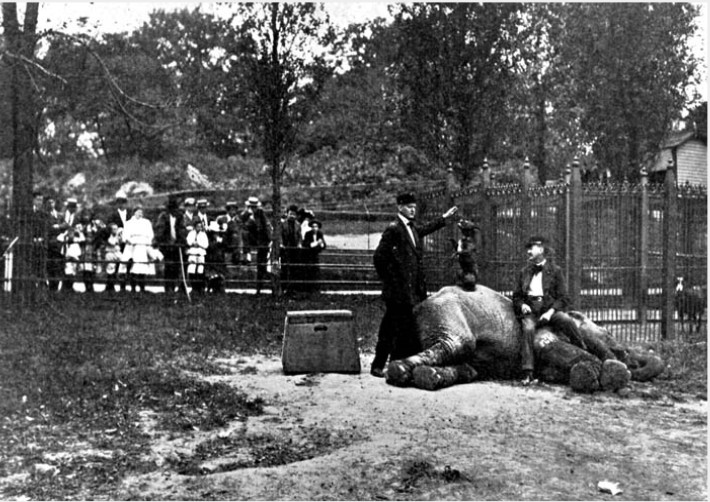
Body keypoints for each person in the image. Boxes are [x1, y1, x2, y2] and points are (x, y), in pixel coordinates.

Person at [370, 192, 458, 378]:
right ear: (400, 207)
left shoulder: (410, 228)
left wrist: (443, 219)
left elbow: (423, 230)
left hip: (411, 291)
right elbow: (379, 257)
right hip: (397, 292)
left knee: (406, 327)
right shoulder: (394, 229)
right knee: (390, 327)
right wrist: (392, 282)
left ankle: (398, 363)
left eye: (414, 207)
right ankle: (377, 365)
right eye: (409, 207)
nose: (412, 210)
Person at [512, 236, 588, 386]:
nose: (528, 252)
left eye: (531, 248)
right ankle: (528, 372)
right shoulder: (524, 272)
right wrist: (522, 305)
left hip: (548, 308)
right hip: (531, 311)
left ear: (541, 249)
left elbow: (564, 297)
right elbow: (516, 296)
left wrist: (550, 312)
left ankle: (583, 351)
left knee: (566, 321)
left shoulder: (555, 271)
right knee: (528, 329)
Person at [154, 198, 188, 294]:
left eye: (175, 209)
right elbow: (160, 230)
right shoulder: (163, 216)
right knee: (168, 267)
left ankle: (177, 287)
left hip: (177, 246)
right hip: (167, 246)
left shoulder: (180, 217)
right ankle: (168, 288)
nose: (174, 211)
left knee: (177, 268)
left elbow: (182, 230)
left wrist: (181, 242)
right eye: (172, 209)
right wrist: (161, 242)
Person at [241, 196, 272, 294]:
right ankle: (247, 253)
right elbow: (241, 225)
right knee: (244, 232)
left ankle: (260, 287)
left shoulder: (261, 214)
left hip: (262, 241)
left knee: (262, 265)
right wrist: (248, 214)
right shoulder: (246, 214)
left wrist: (270, 240)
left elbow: (267, 227)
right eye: (251, 207)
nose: (253, 209)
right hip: (251, 239)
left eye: (254, 207)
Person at [121, 206, 155, 293]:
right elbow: (125, 235)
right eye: (138, 212)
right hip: (132, 246)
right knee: (132, 266)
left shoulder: (146, 222)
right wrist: (129, 241)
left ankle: (142, 287)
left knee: (142, 267)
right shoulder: (128, 223)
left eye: (141, 212)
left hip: (142, 246)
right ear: (134, 212)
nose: (140, 214)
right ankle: (132, 288)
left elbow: (150, 234)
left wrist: (147, 243)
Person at [106, 192, 129, 291]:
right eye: (119, 202)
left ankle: (123, 286)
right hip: (116, 243)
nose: (121, 204)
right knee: (113, 263)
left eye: (123, 202)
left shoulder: (130, 214)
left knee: (124, 264)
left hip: (126, 243)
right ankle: (110, 286)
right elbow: (109, 227)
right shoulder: (112, 215)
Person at [57, 221, 85, 292]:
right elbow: (59, 238)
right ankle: (66, 287)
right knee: (68, 271)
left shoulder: (76, 238)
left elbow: (82, 239)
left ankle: (70, 287)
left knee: (73, 271)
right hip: (69, 255)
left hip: (75, 255)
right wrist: (65, 234)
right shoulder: (65, 237)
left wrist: (79, 232)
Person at [281, 204, 302, 293]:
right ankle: (283, 287)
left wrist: (299, 244)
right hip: (285, 249)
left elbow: (300, 236)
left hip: (294, 249)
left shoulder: (298, 225)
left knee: (294, 268)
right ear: (287, 214)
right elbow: (280, 235)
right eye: (290, 214)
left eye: (294, 214)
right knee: (284, 268)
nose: (292, 216)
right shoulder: (282, 224)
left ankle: (292, 288)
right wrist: (281, 244)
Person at [45, 195, 64, 290]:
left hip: (59, 244)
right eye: (49, 202)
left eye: (52, 202)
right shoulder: (45, 215)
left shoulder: (59, 215)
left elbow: (65, 224)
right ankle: (51, 285)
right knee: (50, 265)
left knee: (58, 265)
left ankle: (56, 286)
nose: (51, 204)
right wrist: (54, 228)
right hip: (49, 243)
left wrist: (59, 226)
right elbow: (47, 228)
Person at [302, 219, 326, 293]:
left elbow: (324, 245)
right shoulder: (308, 234)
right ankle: (308, 288)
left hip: (315, 255)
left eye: (316, 227)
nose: (314, 228)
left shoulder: (320, 234)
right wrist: (316, 243)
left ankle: (316, 288)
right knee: (308, 271)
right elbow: (307, 244)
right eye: (313, 226)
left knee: (316, 271)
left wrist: (321, 244)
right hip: (308, 255)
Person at [186, 219, 209, 293]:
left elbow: (206, 245)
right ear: (195, 226)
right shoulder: (191, 233)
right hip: (193, 252)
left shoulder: (203, 234)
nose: (199, 228)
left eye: (200, 226)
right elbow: (188, 242)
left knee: (200, 270)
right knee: (191, 269)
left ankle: (200, 287)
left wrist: (199, 244)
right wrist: (192, 243)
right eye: (197, 226)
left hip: (200, 252)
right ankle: (193, 287)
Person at [102, 223, 124, 293]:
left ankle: (122, 287)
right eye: (114, 229)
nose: (116, 230)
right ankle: (110, 287)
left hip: (117, 253)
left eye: (116, 229)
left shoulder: (119, 236)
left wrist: (121, 236)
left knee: (122, 267)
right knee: (110, 269)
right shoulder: (108, 237)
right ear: (110, 230)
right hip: (110, 253)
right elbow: (112, 243)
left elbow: (122, 242)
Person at [224, 201, 243, 265]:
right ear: (228, 210)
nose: (233, 212)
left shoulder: (238, 221)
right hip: (225, 244)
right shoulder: (222, 219)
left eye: (235, 210)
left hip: (236, 246)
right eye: (231, 210)